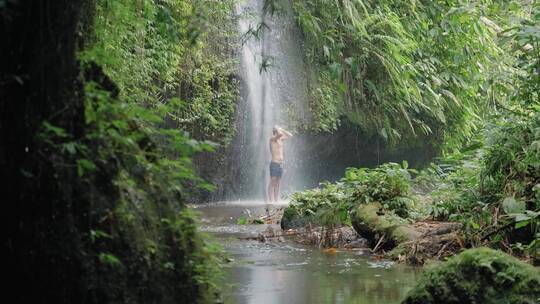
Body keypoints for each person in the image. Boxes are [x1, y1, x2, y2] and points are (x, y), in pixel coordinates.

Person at [267, 125, 293, 204]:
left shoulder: (281, 140)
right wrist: (278, 128)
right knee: (272, 181)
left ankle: (276, 200)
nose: (280, 131)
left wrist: (283, 129)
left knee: (278, 182)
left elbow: (290, 135)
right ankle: (271, 201)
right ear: (275, 131)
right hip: (274, 163)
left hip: (280, 164)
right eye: (278, 129)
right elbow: (280, 134)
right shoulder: (272, 139)